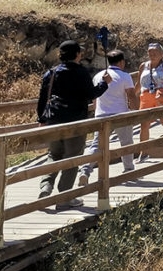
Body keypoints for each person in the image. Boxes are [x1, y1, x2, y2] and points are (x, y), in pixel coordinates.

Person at [35, 41, 112, 207]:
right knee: (73, 156)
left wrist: (41, 120)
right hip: (75, 120)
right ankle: (65, 196)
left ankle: (46, 187)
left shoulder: (52, 73)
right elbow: (91, 94)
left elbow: (42, 99)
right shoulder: (81, 72)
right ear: (77, 54)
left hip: (54, 120)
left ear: (60, 54)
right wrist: (104, 83)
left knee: (54, 154)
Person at [78, 50, 138, 186]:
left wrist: (96, 111)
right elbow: (131, 95)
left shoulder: (98, 76)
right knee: (126, 142)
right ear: (122, 62)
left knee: (96, 145)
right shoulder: (125, 76)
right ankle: (129, 170)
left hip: (101, 115)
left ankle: (85, 170)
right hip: (120, 114)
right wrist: (135, 111)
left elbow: (95, 97)